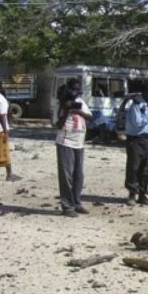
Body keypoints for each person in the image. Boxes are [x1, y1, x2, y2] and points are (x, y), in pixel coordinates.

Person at [55, 78, 93, 217]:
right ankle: (67, 207)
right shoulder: (60, 104)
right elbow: (58, 125)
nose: (76, 92)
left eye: (78, 90)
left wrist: (78, 111)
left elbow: (90, 117)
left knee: (78, 175)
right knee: (66, 176)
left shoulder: (80, 102)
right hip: (66, 142)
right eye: (74, 89)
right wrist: (66, 111)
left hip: (79, 143)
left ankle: (77, 203)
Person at [124, 82, 148, 206]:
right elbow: (137, 122)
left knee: (145, 168)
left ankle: (142, 194)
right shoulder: (136, 105)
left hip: (146, 139)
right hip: (135, 139)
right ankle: (132, 194)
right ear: (144, 93)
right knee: (134, 167)